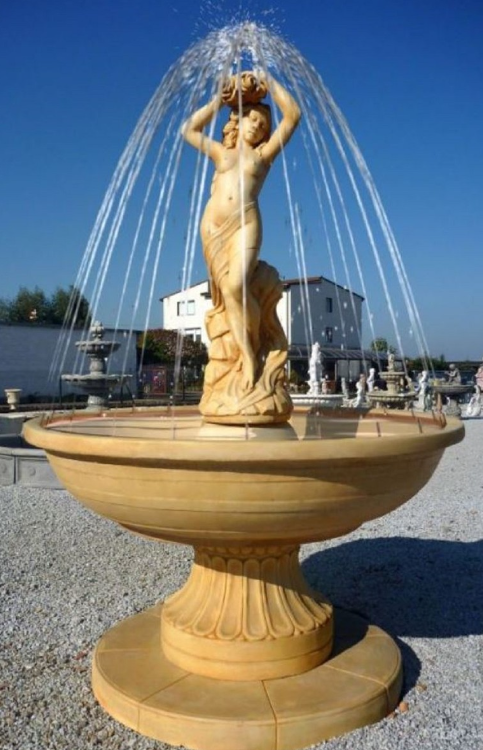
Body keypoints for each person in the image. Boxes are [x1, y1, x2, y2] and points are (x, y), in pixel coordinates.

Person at [181, 72, 301, 419]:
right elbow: (188, 131)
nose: (259, 129)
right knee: (227, 294)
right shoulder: (221, 153)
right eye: (255, 120)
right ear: (242, 119)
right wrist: (218, 102)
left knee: (236, 286)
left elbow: (293, 115)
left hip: (246, 224)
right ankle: (242, 353)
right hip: (213, 229)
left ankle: (250, 357)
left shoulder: (263, 157)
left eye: (264, 125)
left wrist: (269, 78)